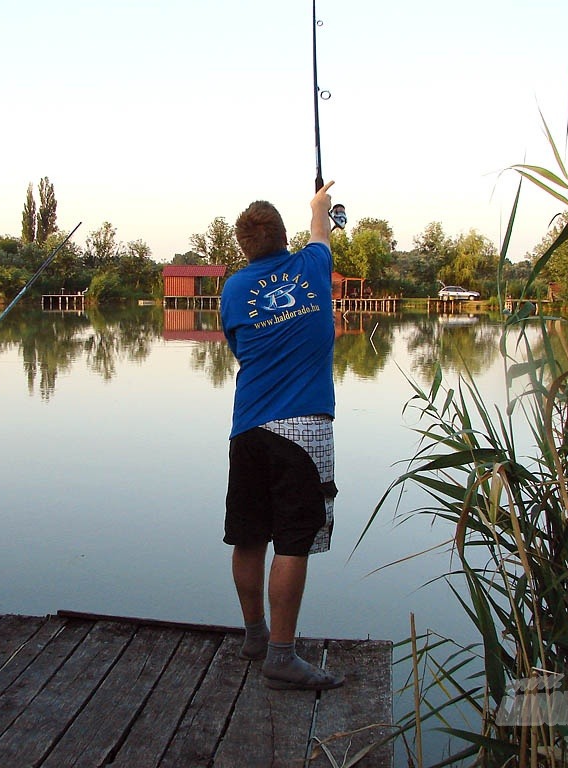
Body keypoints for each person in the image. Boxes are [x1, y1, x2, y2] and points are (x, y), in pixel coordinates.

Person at [219, 182, 344, 691]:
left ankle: (254, 635)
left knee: (249, 535)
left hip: (247, 427)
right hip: (304, 430)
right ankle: (281, 656)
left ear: (243, 246)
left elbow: (238, 348)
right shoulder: (312, 268)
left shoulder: (232, 290)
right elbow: (321, 231)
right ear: (283, 237)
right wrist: (319, 205)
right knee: (293, 541)